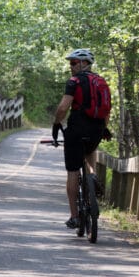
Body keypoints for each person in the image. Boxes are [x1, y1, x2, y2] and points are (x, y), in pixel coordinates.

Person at [51, 48, 110, 230]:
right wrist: (104, 128)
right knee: (90, 150)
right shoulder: (100, 81)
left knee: (73, 171)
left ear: (85, 63)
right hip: (97, 129)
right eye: (70, 63)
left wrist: (56, 124)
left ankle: (74, 216)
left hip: (77, 130)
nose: (71, 66)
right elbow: (107, 108)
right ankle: (92, 177)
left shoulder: (74, 82)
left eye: (74, 63)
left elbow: (63, 107)